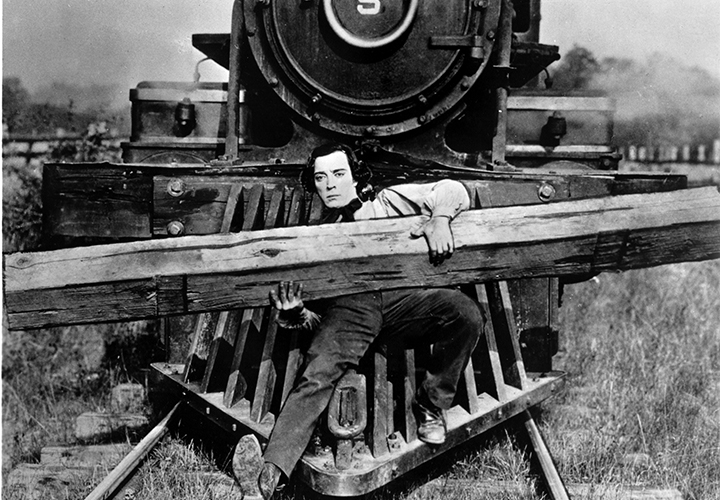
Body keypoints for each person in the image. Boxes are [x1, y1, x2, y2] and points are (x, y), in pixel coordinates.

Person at [240, 143, 485, 499]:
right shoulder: (317, 237)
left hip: (404, 302)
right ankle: (268, 477)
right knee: (317, 373)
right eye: (321, 178)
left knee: (466, 314)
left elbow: (453, 189)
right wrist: (296, 314)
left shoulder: (389, 202)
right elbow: (316, 322)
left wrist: (440, 218)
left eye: (339, 174)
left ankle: (431, 404)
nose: (330, 184)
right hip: (351, 313)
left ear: (356, 177)